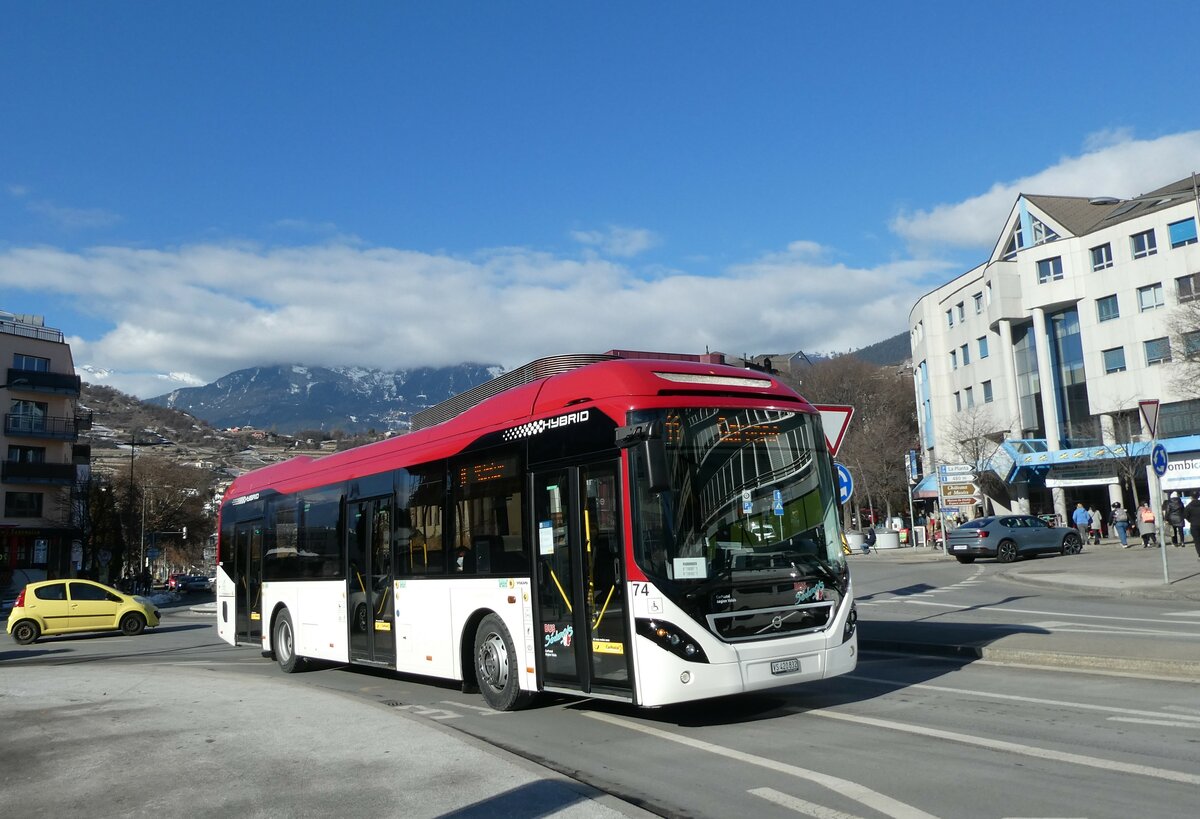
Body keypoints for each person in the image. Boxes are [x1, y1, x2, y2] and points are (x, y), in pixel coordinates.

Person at [1185, 493, 1200, 560]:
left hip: (1194, 525)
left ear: (1191, 497)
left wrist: (1191, 520)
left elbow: (1186, 516)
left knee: (1197, 541)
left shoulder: (1189, 506)